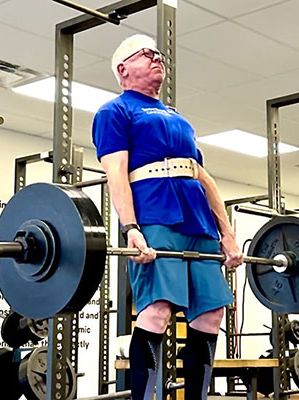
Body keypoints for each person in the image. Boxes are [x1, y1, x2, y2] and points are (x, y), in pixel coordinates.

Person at [92, 34, 244, 400]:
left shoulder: (181, 121)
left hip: (200, 224)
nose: (157, 59)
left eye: (159, 54)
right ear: (123, 69)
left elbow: (205, 180)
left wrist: (227, 234)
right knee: (157, 312)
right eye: (146, 54)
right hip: (156, 219)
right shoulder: (115, 111)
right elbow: (116, 173)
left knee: (211, 315)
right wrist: (130, 227)